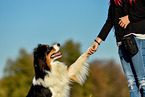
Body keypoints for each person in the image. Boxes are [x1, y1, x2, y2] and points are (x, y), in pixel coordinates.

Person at [88, 0, 145, 97]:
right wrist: (97, 42)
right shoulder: (114, 3)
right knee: (131, 83)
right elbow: (109, 22)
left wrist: (130, 18)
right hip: (122, 44)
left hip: (136, 40)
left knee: (142, 81)